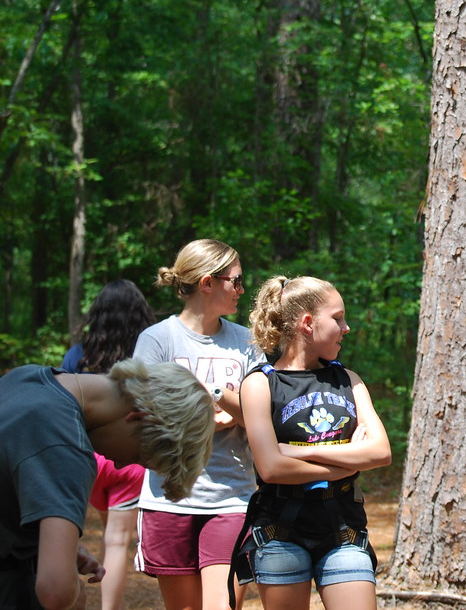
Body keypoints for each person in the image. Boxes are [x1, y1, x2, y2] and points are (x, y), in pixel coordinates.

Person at [0, 359, 215, 610]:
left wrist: (49, 545)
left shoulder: (27, 378)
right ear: (138, 418)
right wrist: (74, 593)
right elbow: (55, 592)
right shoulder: (68, 450)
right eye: (138, 457)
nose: (124, 465)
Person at [235, 275, 391, 610]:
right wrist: (348, 458)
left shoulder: (348, 379)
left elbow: (380, 451)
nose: (346, 327)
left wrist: (295, 451)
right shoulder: (260, 385)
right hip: (280, 533)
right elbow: (272, 469)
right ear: (307, 323)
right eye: (337, 318)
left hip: (343, 529)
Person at [132, 239, 266, 610]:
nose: (242, 290)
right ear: (208, 283)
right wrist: (220, 412)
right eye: (236, 281)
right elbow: (148, 420)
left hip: (232, 498)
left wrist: (203, 410)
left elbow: (261, 413)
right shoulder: (157, 341)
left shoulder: (246, 343)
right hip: (168, 498)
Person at [61, 279, 156, 610]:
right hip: (128, 457)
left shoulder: (78, 355)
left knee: (103, 534)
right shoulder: (144, 357)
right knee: (117, 542)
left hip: (88, 459)